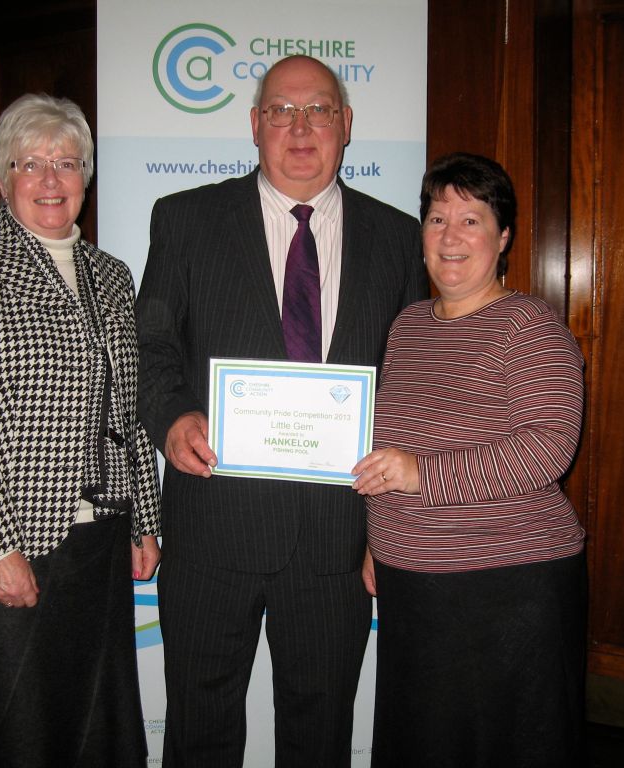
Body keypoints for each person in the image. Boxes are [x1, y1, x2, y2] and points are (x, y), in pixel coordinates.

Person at [135, 55, 427, 767]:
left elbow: (413, 388)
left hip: (338, 540)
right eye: (281, 111)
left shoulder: (398, 239)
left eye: (320, 110)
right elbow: (150, 347)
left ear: (347, 126)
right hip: (212, 528)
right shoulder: (186, 219)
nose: (301, 127)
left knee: (320, 734)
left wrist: (390, 533)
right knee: (198, 733)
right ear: (255, 126)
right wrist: (173, 419)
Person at [0, 92, 161, 768]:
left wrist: (145, 516)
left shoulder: (112, 276)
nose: (52, 180)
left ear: (87, 178)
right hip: (3, 540)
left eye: (68, 163)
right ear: (2, 177)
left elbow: (124, 409)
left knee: (85, 723)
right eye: (32, 164)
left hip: (96, 543)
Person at [352, 152, 587, 767]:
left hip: (505, 588)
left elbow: (547, 449)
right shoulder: (406, 326)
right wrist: (379, 538)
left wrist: (419, 475)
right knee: (425, 742)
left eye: (471, 220)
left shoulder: (530, 326)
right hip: (414, 586)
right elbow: (392, 438)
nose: (450, 237)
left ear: (503, 236)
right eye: (436, 219)